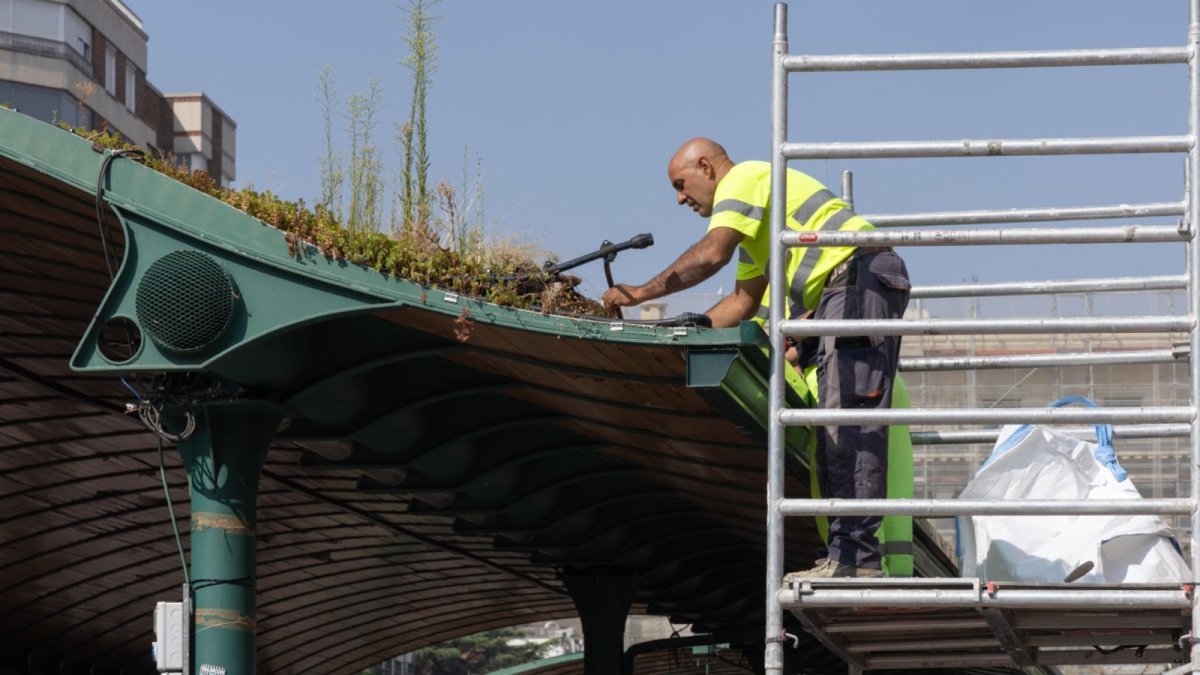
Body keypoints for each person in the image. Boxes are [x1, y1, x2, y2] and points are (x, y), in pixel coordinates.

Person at [602, 137, 911, 578]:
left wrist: (641, 293)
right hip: (844, 289)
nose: (680, 199)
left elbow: (711, 255)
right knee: (835, 426)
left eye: (681, 184)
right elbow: (742, 304)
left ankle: (855, 559)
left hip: (856, 280)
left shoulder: (744, 179)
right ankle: (848, 555)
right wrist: (684, 336)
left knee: (849, 422)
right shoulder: (760, 230)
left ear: (706, 167)